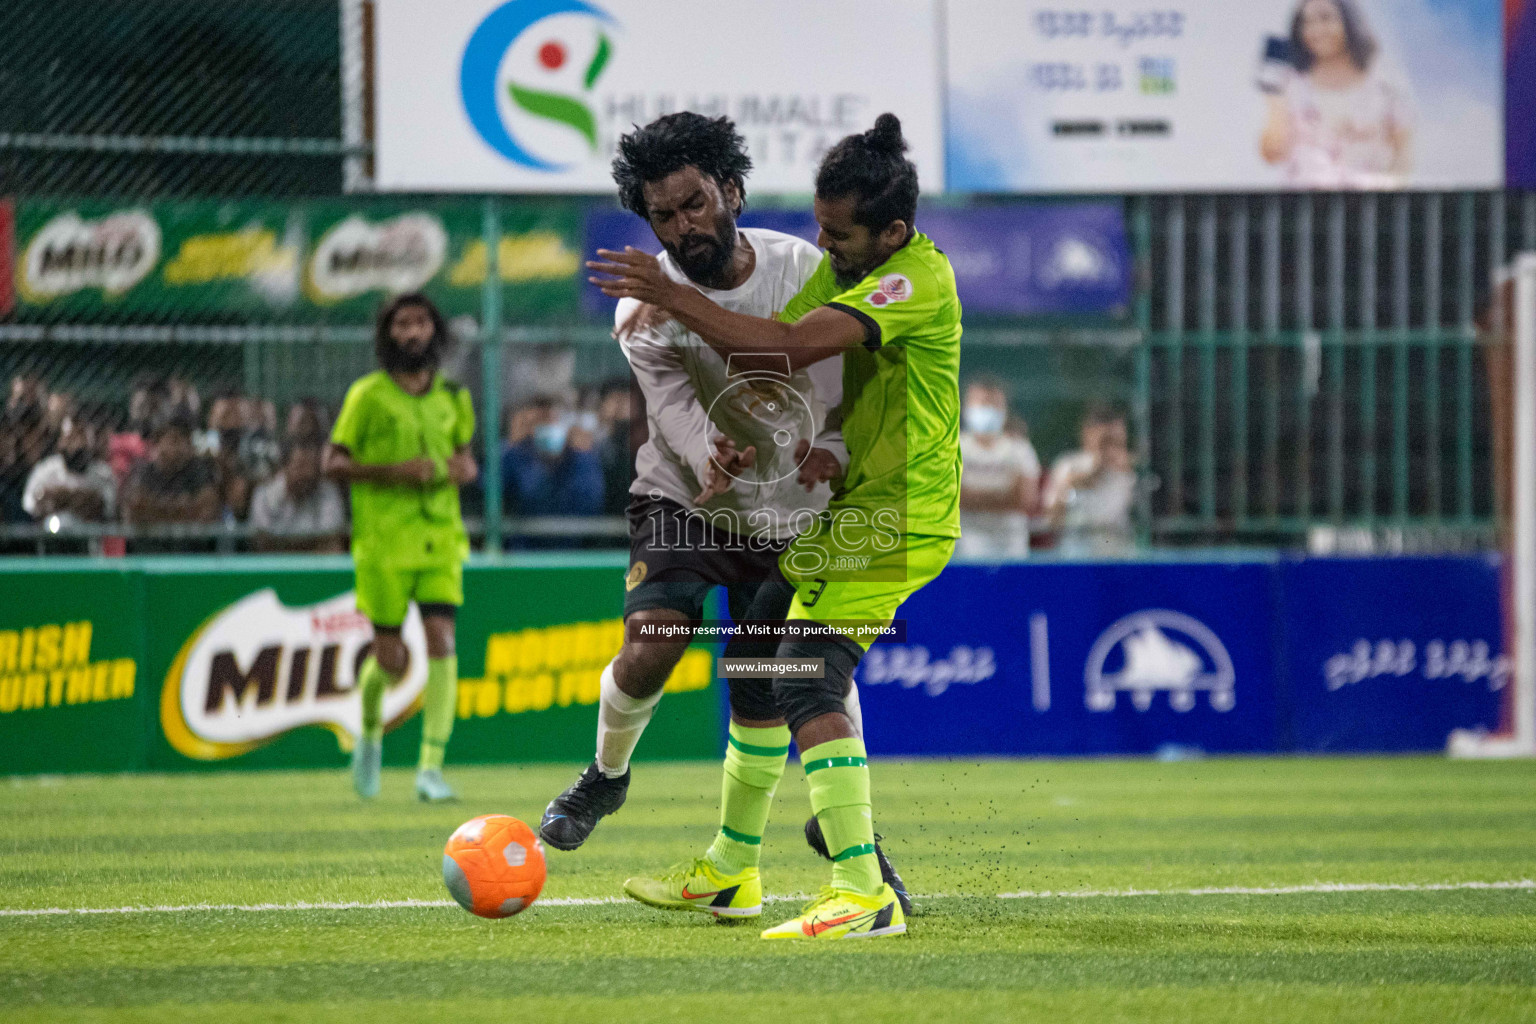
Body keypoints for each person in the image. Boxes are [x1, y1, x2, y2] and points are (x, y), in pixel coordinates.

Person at [590, 113, 960, 940]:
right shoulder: (847, 270)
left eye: (841, 235)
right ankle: (730, 871)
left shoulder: (913, 282)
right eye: (820, 230)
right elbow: (758, 351)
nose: (824, 247)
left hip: (897, 519)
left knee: (804, 677)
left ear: (892, 232)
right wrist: (668, 324)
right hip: (854, 509)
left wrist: (672, 298)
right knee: (758, 655)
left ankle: (863, 886)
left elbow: (789, 345)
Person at [539, 111, 890, 910]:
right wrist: (710, 456)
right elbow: (670, 410)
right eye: (662, 215)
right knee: (653, 643)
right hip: (684, 497)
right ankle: (606, 775)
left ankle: (819, 847)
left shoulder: (805, 270)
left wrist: (826, 460)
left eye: (694, 202)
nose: (681, 225)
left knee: (779, 673)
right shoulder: (641, 309)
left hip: (793, 509)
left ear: (732, 189)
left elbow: (837, 384)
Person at [324, 293, 477, 803]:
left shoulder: (454, 395)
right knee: (388, 662)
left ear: (436, 331)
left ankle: (430, 769)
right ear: (387, 335)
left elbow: (464, 457)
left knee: (443, 642)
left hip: (441, 538)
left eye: (421, 323)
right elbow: (333, 463)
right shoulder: (367, 395)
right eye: (401, 325)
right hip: (384, 544)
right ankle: (368, 732)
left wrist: (465, 470)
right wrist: (395, 472)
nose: (412, 334)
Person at [1259, 0, 1411, 189]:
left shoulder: (1384, 83)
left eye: (1325, 18)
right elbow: (1272, 154)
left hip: (1367, 205)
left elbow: (1404, 152)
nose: (1316, 30)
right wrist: (1274, 99)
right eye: (1306, 22)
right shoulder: (1293, 83)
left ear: (1349, 21)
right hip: (1305, 205)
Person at [958, 378, 1039, 559]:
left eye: (993, 403)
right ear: (966, 407)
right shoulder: (954, 447)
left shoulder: (1020, 448)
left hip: (1011, 542)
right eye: (981, 403)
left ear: (1004, 408)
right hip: (966, 540)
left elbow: (1025, 499)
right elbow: (952, 497)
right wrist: (1003, 496)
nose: (987, 409)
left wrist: (973, 496)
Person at [1042, 403, 1137, 555]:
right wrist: (1074, 483)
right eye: (1106, 440)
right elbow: (1052, 518)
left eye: (1117, 439)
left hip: (1119, 554)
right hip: (1078, 554)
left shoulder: (1129, 469)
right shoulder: (1068, 465)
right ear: (1088, 433)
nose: (1112, 446)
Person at [499, 397, 605, 520]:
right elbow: (496, 494)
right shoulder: (515, 457)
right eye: (538, 422)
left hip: (571, 535)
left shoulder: (582, 459)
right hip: (526, 537)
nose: (547, 426)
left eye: (551, 419)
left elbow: (591, 503)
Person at [121, 411, 221, 540]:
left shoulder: (199, 470)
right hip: (150, 548)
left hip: (192, 549)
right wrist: (182, 508)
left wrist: (156, 509)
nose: (181, 446)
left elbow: (206, 512)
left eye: (186, 440)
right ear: (157, 443)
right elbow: (134, 512)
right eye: (174, 440)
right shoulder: (143, 471)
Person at [22, 417, 116, 534]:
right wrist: (75, 498)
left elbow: (108, 507)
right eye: (70, 438)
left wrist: (62, 497)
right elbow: (29, 503)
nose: (76, 444)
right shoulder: (45, 469)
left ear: (91, 442)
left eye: (81, 437)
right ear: (60, 441)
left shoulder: (103, 473)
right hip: (51, 533)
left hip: (90, 533)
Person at [250, 440, 347, 553]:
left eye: (311, 467)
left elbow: (331, 537)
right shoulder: (265, 492)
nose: (307, 473)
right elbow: (263, 539)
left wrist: (286, 545)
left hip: (315, 566)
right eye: (300, 466)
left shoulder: (327, 491)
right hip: (276, 565)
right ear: (285, 468)